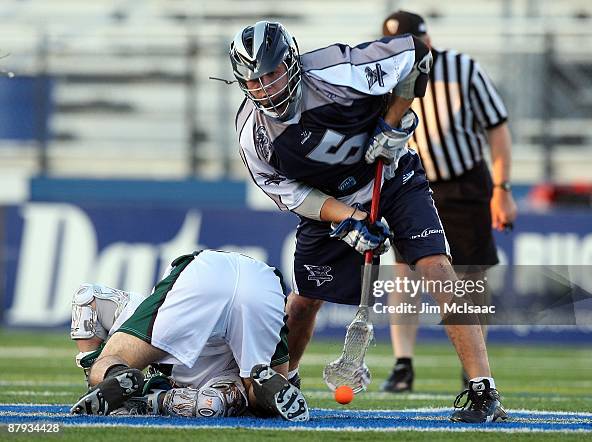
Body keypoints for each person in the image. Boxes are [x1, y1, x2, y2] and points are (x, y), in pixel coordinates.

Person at [230, 20, 508, 423]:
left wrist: (392, 123)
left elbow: (416, 53)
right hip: (330, 199)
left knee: (436, 266)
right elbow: (294, 195)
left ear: (291, 62)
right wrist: (350, 220)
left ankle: (484, 390)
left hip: (392, 176)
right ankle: (282, 383)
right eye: (253, 80)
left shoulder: (338, 72)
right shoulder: (253, 137)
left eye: (271, 73)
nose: (265, 88)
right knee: (306, 299)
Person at [379, 11, 518, 394]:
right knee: (405, 273)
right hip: (410, 183)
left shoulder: (462, 69)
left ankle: (474, 368)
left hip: (463, 183)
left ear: (426, 39)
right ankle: (402, 363)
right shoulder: (382, 76)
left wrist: (503, 189)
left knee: (472, 274)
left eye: (410, 42)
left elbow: (498, 128)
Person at [69, 250, 309, 422]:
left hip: (200, 278)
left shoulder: (143, 315)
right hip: (261, 280)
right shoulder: (142, 312)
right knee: (248, 393)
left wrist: (95, 371)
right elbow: (88, 297)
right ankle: (267, 384)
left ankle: (113, 375)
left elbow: (86, 297)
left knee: (111, 362)